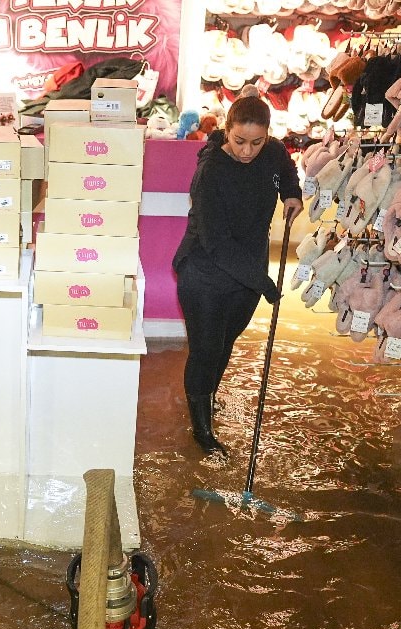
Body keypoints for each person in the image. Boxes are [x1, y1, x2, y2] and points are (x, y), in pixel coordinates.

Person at [172, 96, 304, 457]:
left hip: (245, 274)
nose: (248, 151)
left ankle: (207, 400)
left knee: (225, 343)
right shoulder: (210, 172)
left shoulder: (272, 153)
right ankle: (201, 431)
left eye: (256, 142)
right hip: (205, 273)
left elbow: (285, 169)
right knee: (205, 348)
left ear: (267, 137)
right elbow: (215, 242)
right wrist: (263, 283)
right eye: (240, 141)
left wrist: (292, 194)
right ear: (226, 131)